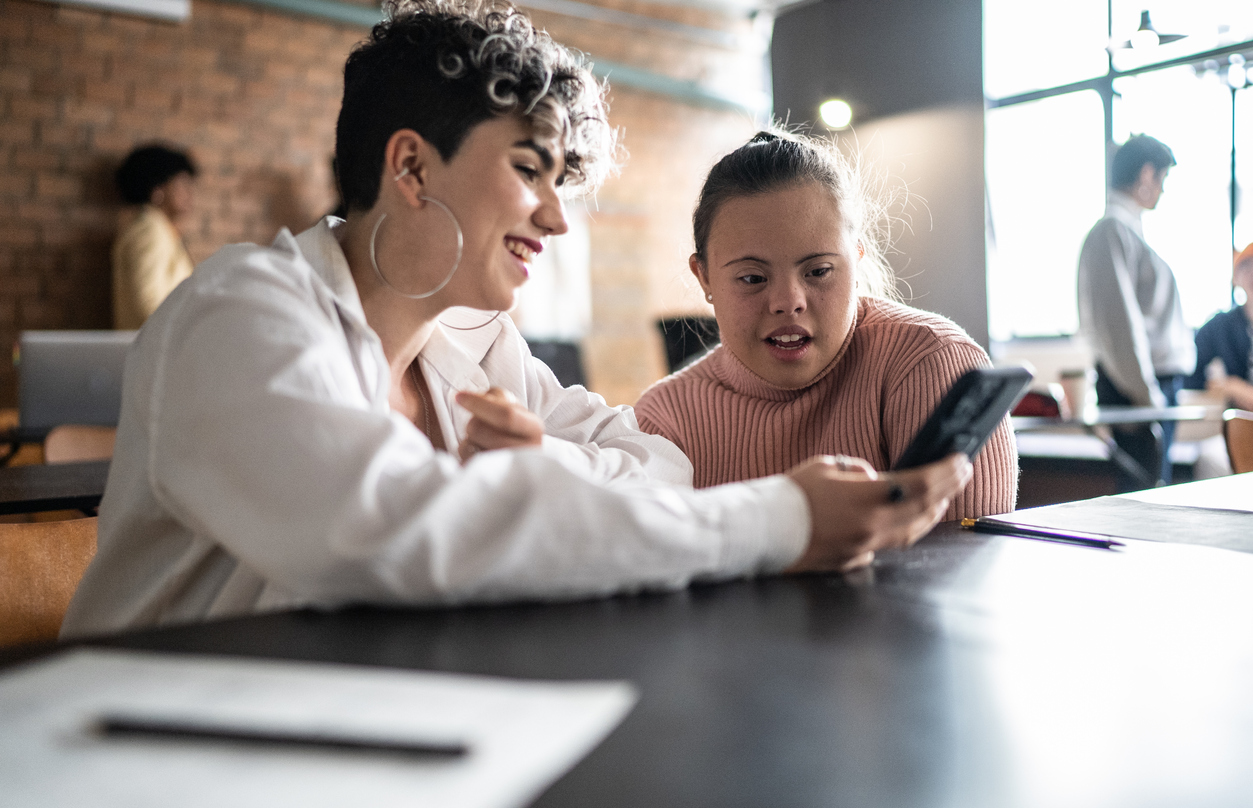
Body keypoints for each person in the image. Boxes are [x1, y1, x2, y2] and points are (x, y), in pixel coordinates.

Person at [61, 1, 971, 638]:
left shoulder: (470, 339)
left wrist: (543, 461)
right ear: (411, 170)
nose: (556, 216)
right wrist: (777, 519)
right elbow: (393, 535)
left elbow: (661, 464)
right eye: (529, 170)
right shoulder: (240, 313)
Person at [633, 130, 1016, 522]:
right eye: (752, 278)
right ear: (705, 278)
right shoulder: (663, 420)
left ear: (857, 258)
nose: (787, 302)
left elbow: (967, 575)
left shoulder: (931, 364)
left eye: (818, 271)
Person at [1077, 134, 1194, 487]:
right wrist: (1149, 399)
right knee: (1144, 504)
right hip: (1140, 392)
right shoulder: (1112, 231)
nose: (1163, 190)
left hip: (1151, 390)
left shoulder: (1129, 231)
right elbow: (1120, 328)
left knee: (1153, 497)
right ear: (1146, 175)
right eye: (1162, 179)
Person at [112, 144, 198, 330]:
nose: (190, 193)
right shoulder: (149, 228)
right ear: (158, 189)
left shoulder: (159, 229)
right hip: (154, 351)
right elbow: (147, 306)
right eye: (182, 184)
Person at [1185, 242, 1253, 411]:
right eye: (1246, 266)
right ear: (1236, 278)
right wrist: (1227, 386)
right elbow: (1189, 371)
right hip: (1238, 422)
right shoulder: (1220, 326)